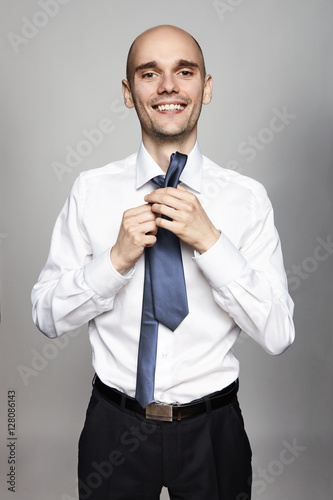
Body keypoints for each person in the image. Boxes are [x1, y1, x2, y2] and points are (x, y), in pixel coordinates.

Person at [31, 25, 295, 500]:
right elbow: (46, 316)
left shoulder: (247, 199)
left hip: (214, 431)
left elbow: (278, 334)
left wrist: (212, 243)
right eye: (149, 73)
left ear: (206, 87)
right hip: (114, 427)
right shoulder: (90, 192)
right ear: (129, 94)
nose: (169, 86)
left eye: (185, 71)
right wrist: (114, 262)